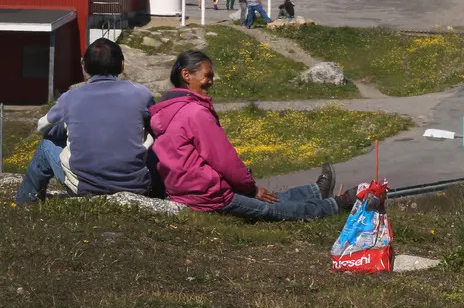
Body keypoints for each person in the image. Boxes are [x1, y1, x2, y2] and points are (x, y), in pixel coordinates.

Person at [149, 50, 357, 220]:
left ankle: (314, 192)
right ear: (187, 75)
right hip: (206, 194)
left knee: (269, 199)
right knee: (270, 209)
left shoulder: (165, 110)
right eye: (207, 76)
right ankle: (337, 205)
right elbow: (224, 160)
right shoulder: (195, 112)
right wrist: (250, 188)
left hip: (183, 190)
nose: (211, 81)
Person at [15, 39, 155, 204]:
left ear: (85, 67)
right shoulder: (141, 94)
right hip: (136, 185)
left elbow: (43, 127)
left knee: (47, 144)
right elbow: (154, 124)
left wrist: (63, 129)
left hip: (85, 188)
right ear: (122, 65)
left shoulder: (71, 97)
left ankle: (25, 202)